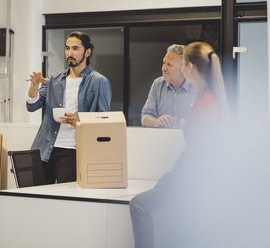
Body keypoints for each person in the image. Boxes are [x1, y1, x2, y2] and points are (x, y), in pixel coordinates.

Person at [129, 42, 229, 248]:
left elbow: (197, 153)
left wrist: (171, 179)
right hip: (197, 180)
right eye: (163, 63)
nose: (165, 68)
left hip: (194, 182)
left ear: (188, 67)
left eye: (173, 64)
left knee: (139, 205)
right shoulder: (208, 97)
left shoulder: (204, 102)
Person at [26, 31, 111, 184]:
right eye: (67, 48)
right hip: (44, 148)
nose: (69, 53)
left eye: (75, 48)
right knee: (37, 198)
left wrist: (81, 119)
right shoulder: (54, 79)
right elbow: (31, 106)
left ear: (87, 52)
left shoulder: (99, 82)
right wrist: (34, 85)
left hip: (72, 151)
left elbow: (104, 119)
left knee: (66, 200)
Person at [141, 44, 196, 128]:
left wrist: (179, 123)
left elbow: (204, 122)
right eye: (164, 63)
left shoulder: (196, 86)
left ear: (183, 68)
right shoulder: (158, 84)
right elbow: (145, 116)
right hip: (162, 139)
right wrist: (156, 122)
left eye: (169, 65)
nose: (164, 68)